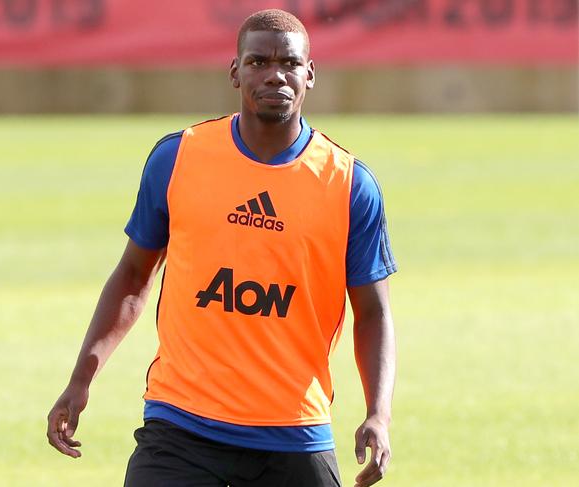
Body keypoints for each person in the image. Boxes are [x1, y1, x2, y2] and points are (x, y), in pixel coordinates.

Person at [47, 8, 397, 487]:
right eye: (257, 62)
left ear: (310, 74)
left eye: (289, 63)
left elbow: (373, 314)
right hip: (181, 427)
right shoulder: (179, 157)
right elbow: (132, 276)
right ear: (235, 72)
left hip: (293, 431)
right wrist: (81, 379)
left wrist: (379, 413)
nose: (275, 75)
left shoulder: (350, 184)